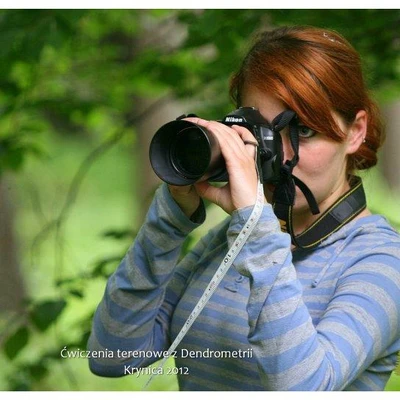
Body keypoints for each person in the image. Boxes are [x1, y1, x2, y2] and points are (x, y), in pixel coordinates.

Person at [87, 26, 400, 391]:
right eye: (263, 132)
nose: (279, 156)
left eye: (304, 131)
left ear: (356, 131)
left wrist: (256, 229)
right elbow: (111, 356)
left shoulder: (382, 262)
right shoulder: (230, 243)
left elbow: (302, 388)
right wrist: (170, 222)